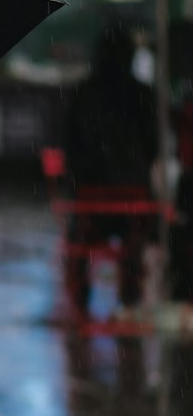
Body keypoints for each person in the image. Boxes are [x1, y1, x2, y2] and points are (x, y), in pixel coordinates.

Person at [61, 22, 158, 317]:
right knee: (134, 239)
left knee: (78, 240)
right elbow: (152, 144)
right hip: (133, 198)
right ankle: (129, 297)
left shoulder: (83, 93)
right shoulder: (143, 94)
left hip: (90, 197)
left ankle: (81, 300)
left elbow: (69, 144)